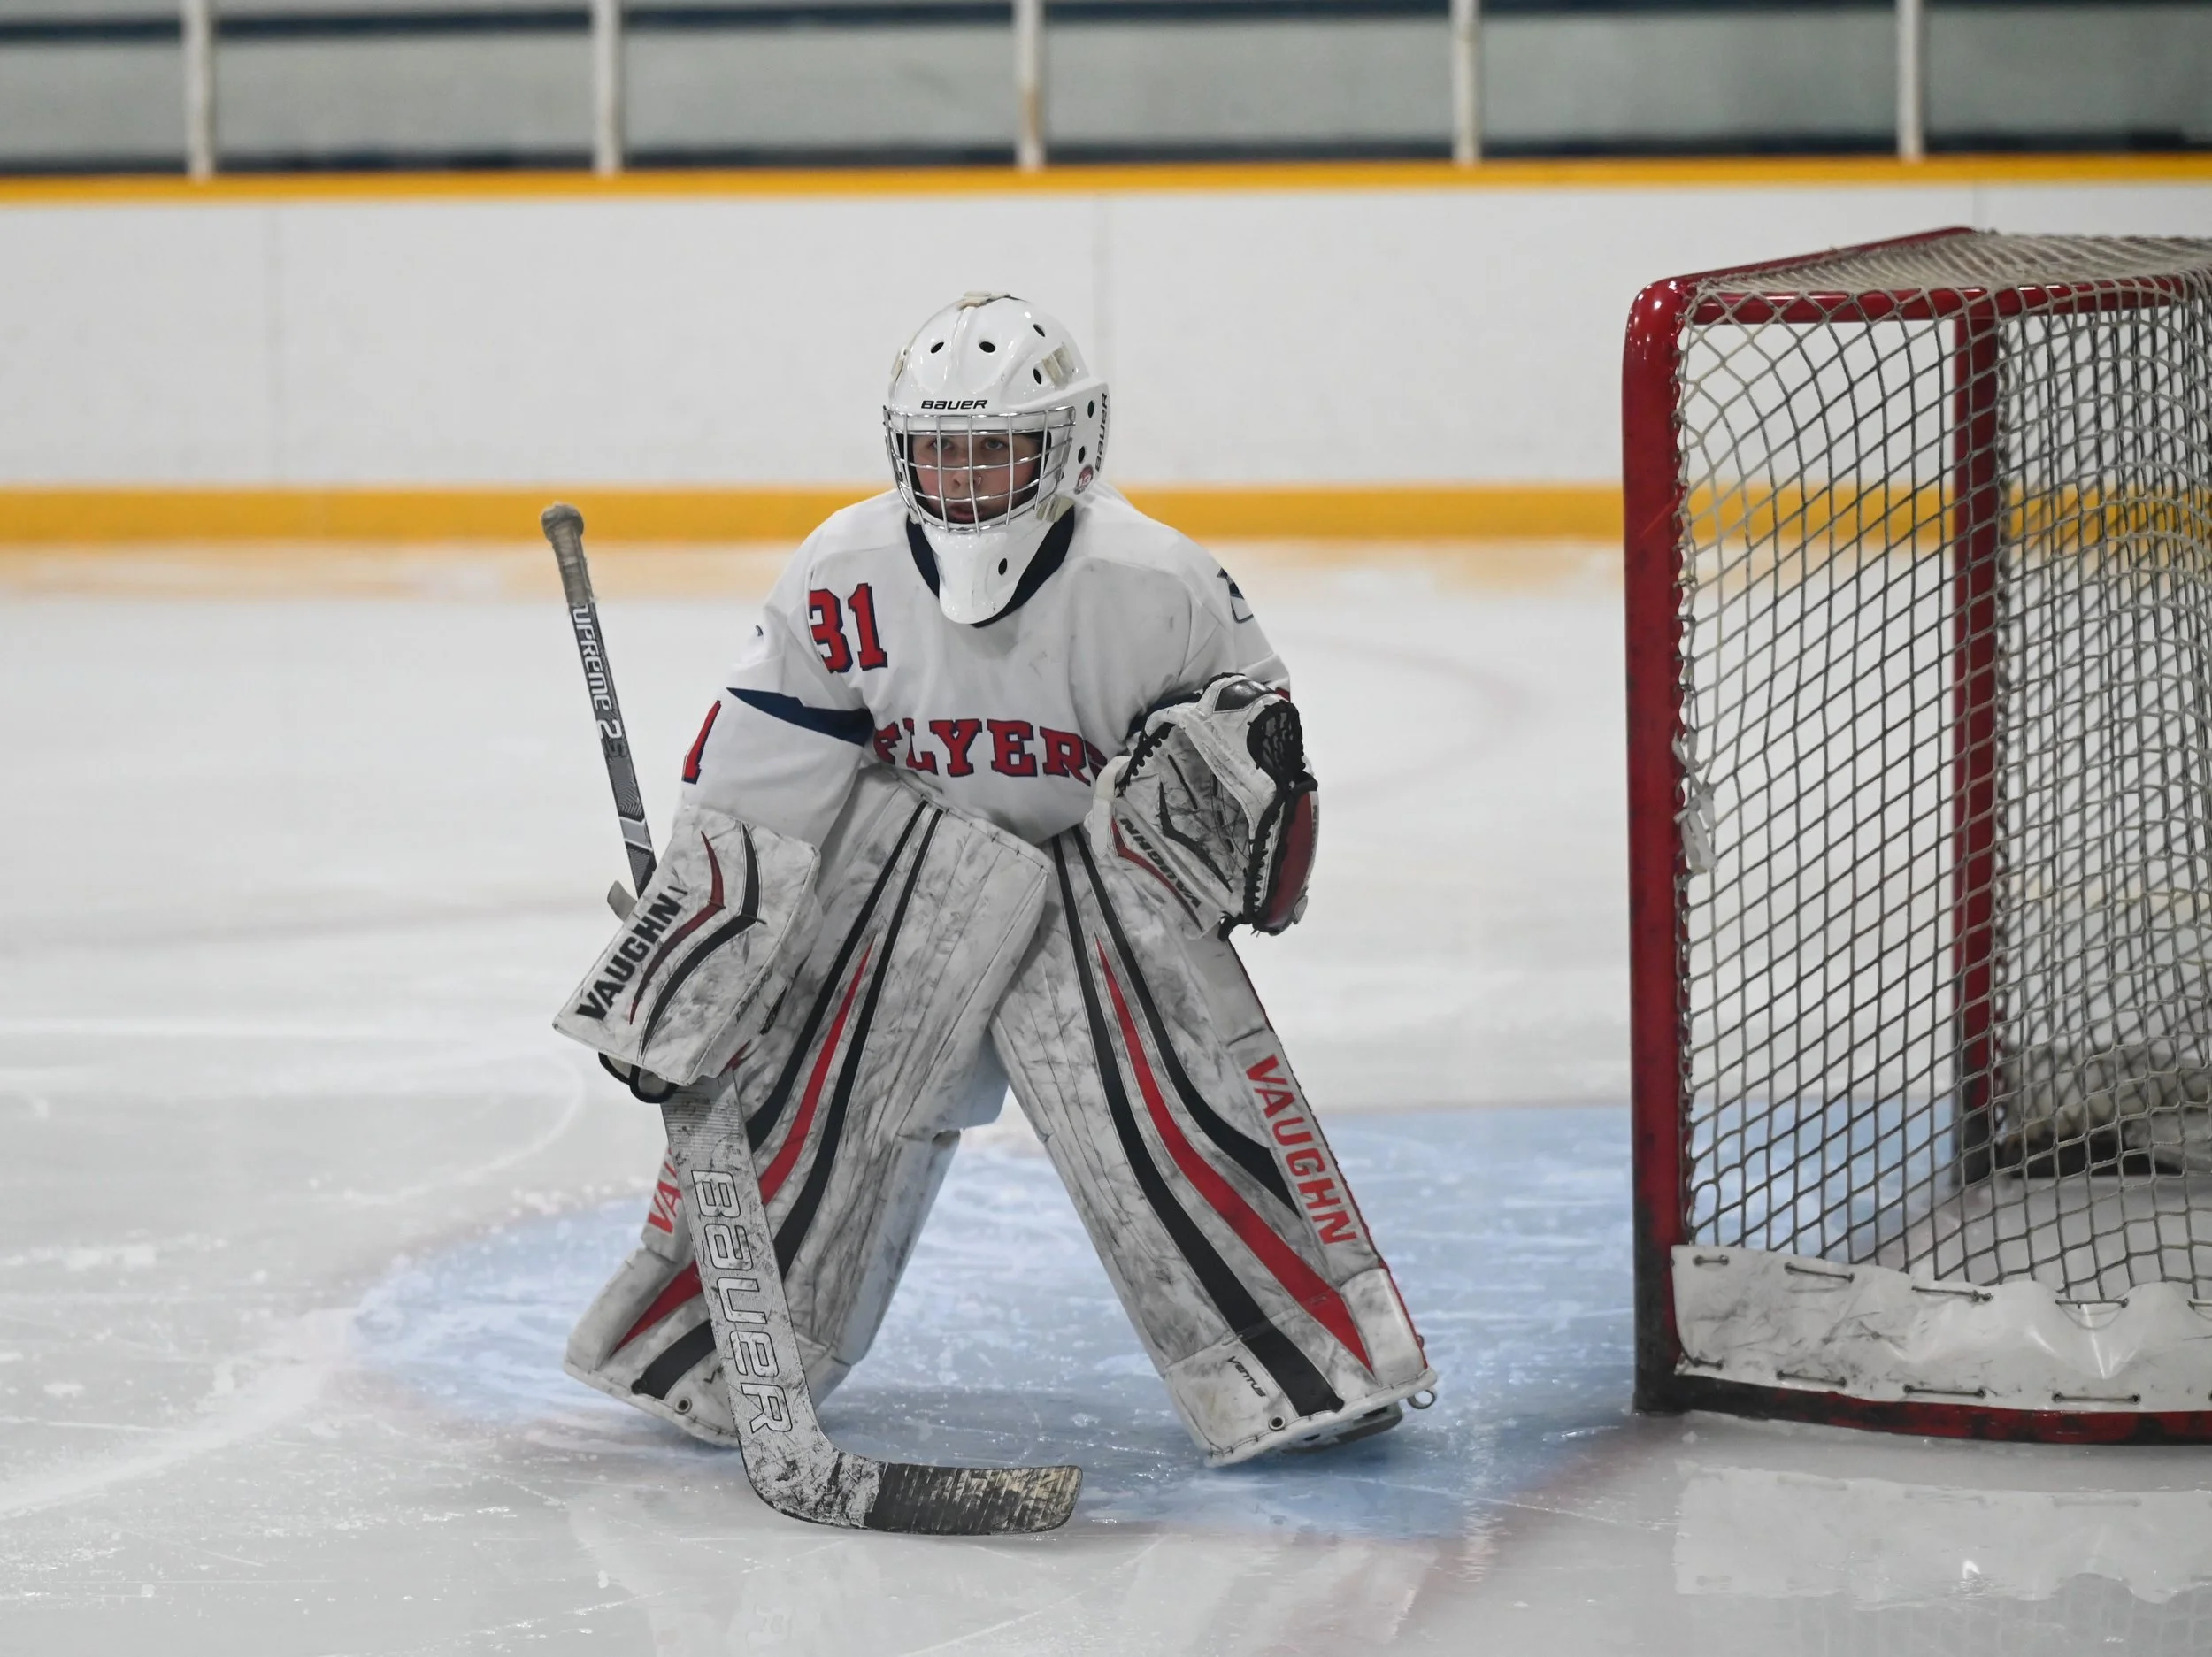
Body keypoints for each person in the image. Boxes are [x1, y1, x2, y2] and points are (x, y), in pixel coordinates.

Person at [559, 293, 1435, 1467]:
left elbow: (1257, 810)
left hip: (1096, 894)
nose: (963, 479)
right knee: (789, 1095)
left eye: (993, 449)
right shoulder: (843, 570)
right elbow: (760, 798)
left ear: (1068, 447)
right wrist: (677, 974)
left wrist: (1246, 820)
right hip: (901, 888)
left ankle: (1294, 1358)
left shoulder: (1160, 584)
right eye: (938, 451)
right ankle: (711, 1356)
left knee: (1175, 1109)